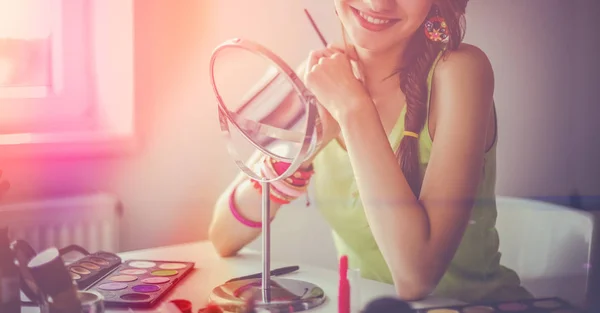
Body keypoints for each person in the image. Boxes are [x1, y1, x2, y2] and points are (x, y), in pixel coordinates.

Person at [209, 0, 532, 303]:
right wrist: (302, 153)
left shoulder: (461, 72)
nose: (378, 3)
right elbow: (222, 235)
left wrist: (353, 109)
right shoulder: (322, 77)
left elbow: (416, 278)